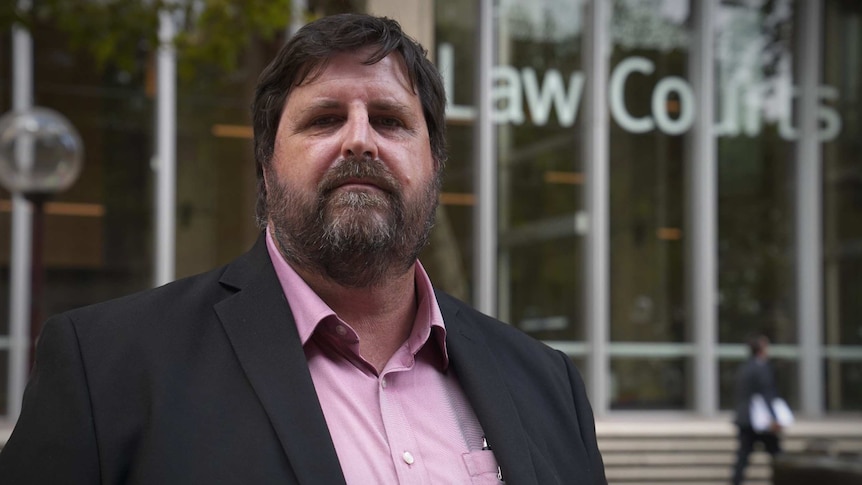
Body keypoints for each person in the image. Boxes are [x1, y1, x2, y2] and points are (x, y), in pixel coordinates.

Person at [0, 13, 606, 485]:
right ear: (265, 164)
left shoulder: (547, 384)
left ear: (434, 164)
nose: (360, 141)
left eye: (391, 121)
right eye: (323, 119)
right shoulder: (106, 368)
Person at [731, 334, 783, 485]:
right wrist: (774, 418)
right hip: (760, 420)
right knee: (776, 455)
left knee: (743, 456)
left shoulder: (744, 368)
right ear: (761, 350)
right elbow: (766, 394)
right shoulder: (762, 368)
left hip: (745, 419)